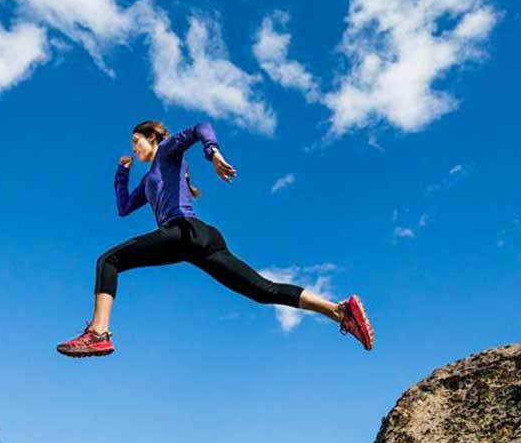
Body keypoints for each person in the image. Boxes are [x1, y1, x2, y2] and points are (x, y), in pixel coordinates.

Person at [56, 119, 374, 357]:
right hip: (203, 240)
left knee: (108, 261)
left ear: (151, 137)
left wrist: (213, 153)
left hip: (182, 232)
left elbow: (200, 128)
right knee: (263, 291)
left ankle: (99, 332)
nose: (134, 146)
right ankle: (339, 311)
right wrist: (122, 174)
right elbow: (124, 208)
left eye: (136, 140)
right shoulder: (150, 177)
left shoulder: (166, 152)